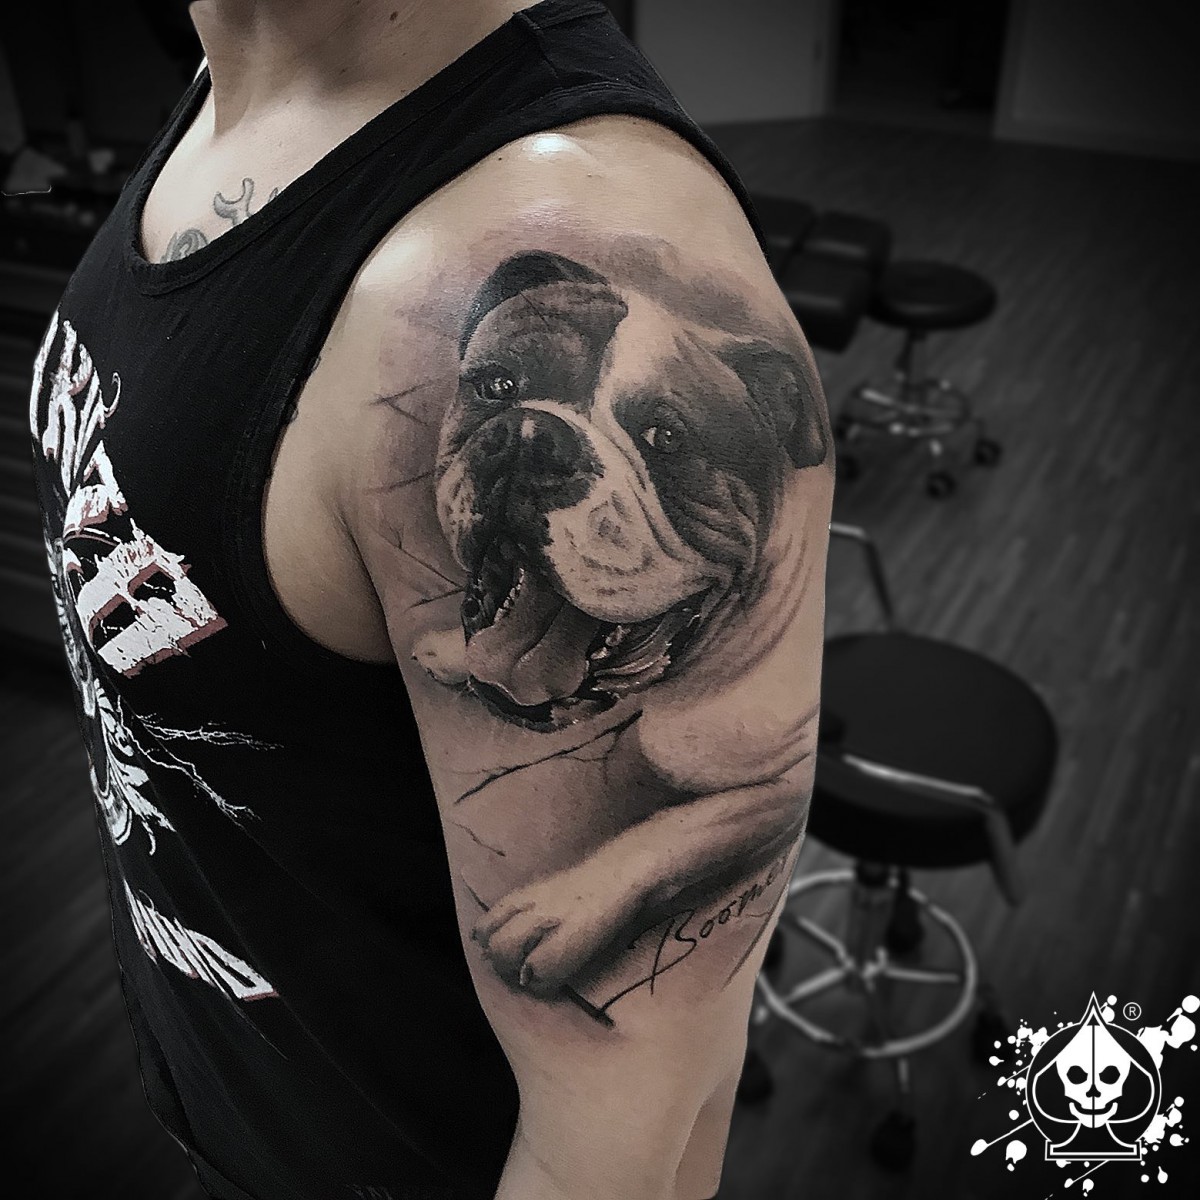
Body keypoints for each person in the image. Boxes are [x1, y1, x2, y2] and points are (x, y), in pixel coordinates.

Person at [27, 2, 834, 1197]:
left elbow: (632, 1140)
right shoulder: (238, 67)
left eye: (658, 435)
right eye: (505, 391)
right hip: (234, 1102)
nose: (536, 448)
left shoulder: (534, 218)